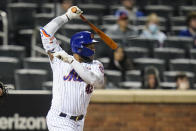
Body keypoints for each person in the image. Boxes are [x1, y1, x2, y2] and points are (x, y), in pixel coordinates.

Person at [40, 6, 104, 131]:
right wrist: (67, 16)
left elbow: (96, 81)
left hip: (79, 122)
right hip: (59, 119)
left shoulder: (96, 65)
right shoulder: (60, 58)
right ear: (80, 47)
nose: (93, 49)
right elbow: (45, 32)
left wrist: (72, 61)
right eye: (90, 46)